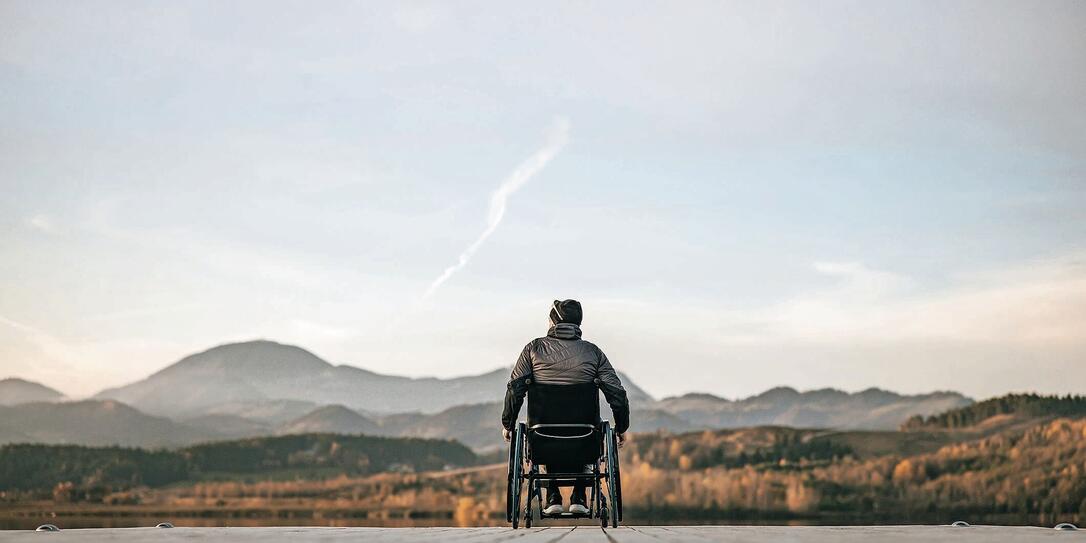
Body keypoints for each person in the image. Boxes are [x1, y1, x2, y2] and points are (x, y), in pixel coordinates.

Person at [501, 299, 630, 516]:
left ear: (552, 321)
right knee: (589, 434)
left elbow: (515, 390)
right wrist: (622, 427)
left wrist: (508, 424)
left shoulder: (533, 349)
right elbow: (617, 393)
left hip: (542, 437)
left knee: (542, 433)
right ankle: (579, 497)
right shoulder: (593, 353)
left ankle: (553, 497)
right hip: (585, 437)